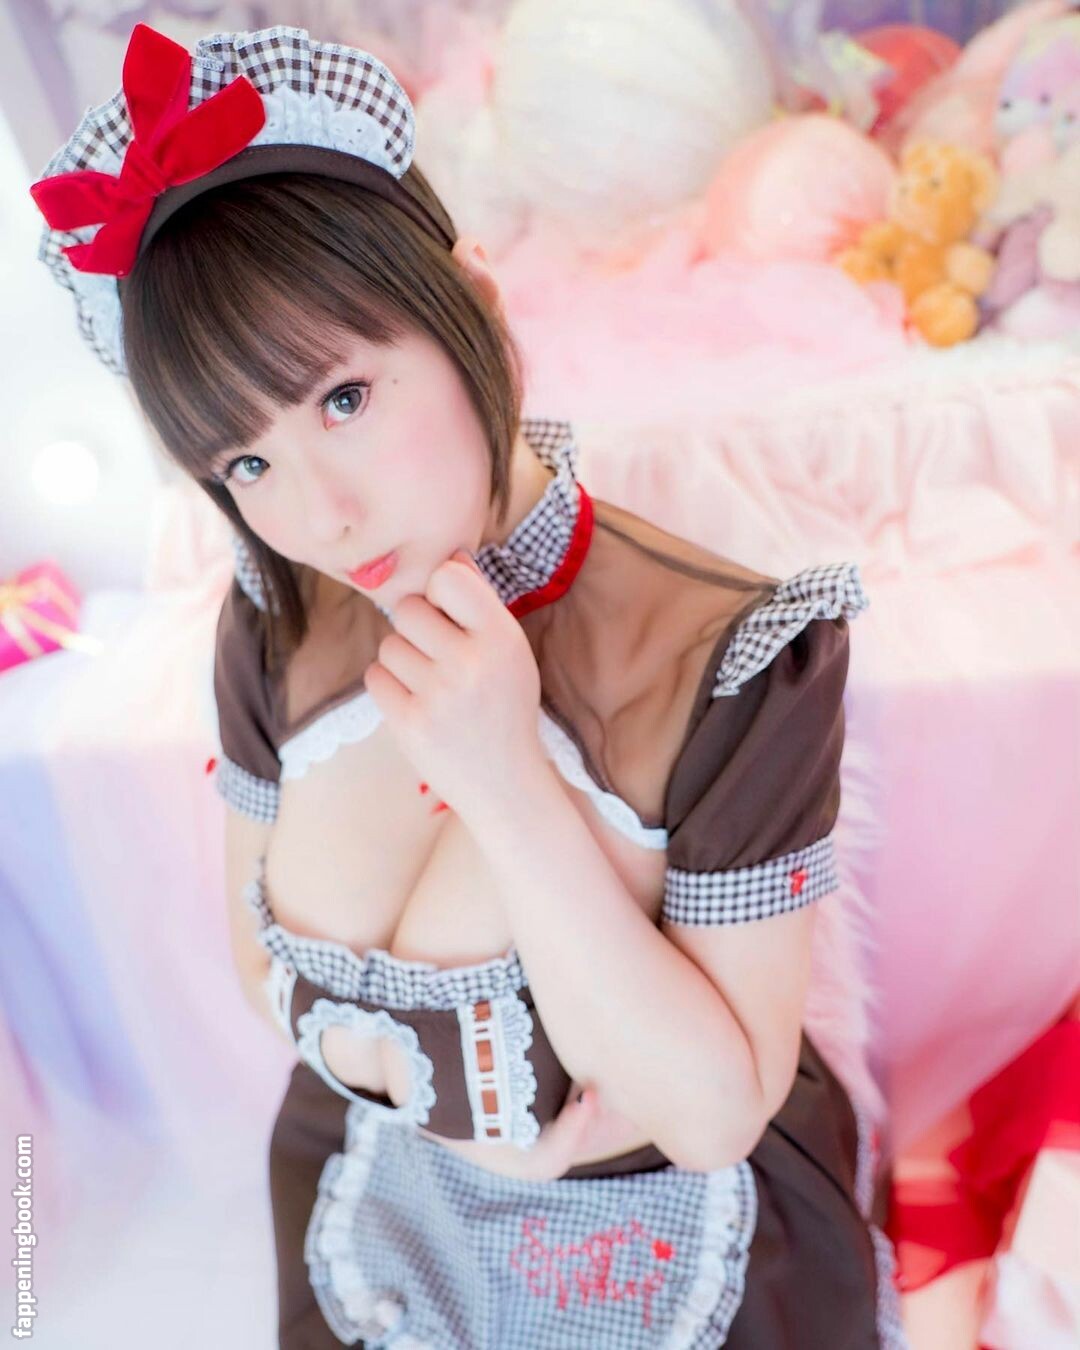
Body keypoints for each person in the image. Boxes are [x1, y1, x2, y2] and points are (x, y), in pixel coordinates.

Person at [30, 21, 907, 1349]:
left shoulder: (735, 652)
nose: (319, 513)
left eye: (342, 398)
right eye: (244, 464)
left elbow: (715, 1111)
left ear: (474, 310)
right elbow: (260, 964)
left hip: (666, 1249)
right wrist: (430, 1113)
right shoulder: (274, 619)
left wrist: (508, 782)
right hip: (372, 1206)